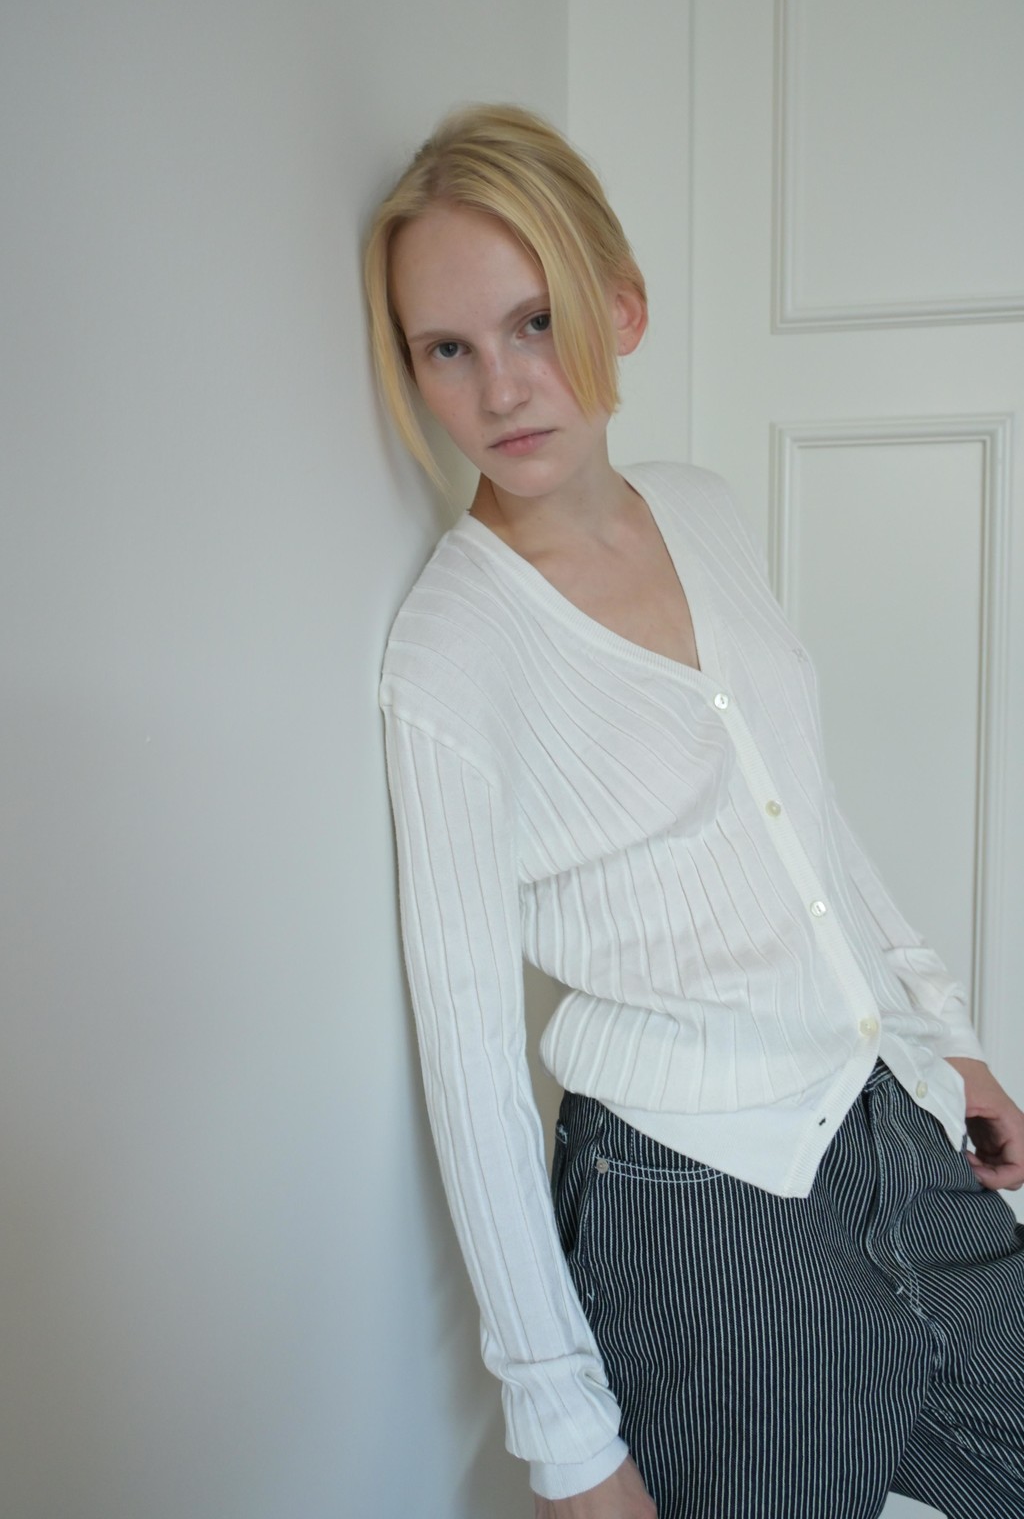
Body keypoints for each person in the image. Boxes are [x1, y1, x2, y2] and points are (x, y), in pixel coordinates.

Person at [364, 103, 1024, 1519]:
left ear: (623, 307)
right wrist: (568, 1439)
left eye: (536, 321)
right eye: (447, 349)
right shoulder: (452, 652)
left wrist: (942, 1035)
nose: (502, 387)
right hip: (688, 1201)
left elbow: (803, 817)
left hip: (876, 1114)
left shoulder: (705, 509)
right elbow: (470, 1063)